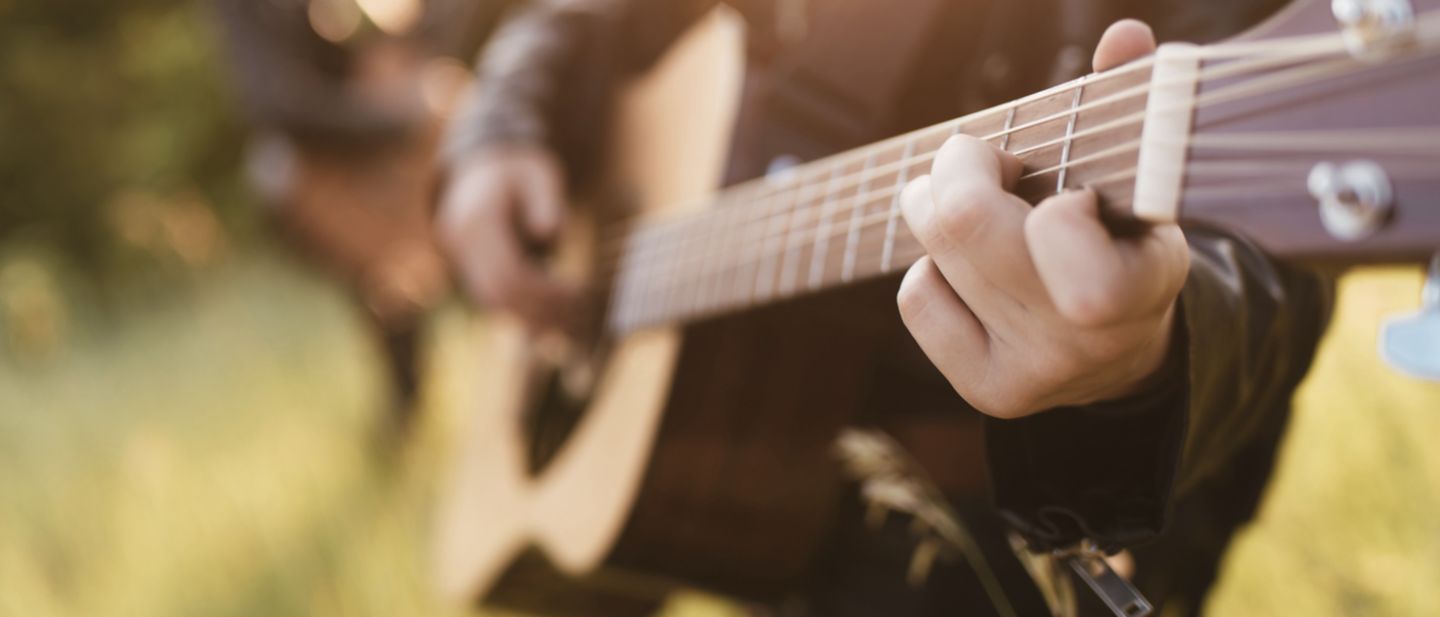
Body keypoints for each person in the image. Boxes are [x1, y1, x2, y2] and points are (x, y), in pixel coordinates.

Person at [437, 0, 1333, 614]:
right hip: (769, 488)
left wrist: (1150, 356)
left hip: (987, 540)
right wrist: (498, 126)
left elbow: (1263, 264)